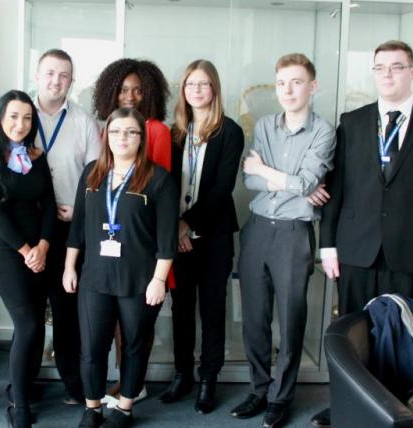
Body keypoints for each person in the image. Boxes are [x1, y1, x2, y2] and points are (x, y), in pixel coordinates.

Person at [311, 40, 413, 427]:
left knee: (404, 334)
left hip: (412, 252)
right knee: (352, 335)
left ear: (412, 71)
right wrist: (327, 243)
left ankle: (399, 409)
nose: (388, 74)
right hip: (355, 249)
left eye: (396, 67)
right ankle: (348, 403)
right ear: (373, 72)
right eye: (380, 68)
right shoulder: (353, 121)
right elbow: (337, 188)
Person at [64, 107, 179, 428]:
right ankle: (93, 407)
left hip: (140, 279)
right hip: (94, 277)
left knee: (134, 345)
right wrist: (69, 267)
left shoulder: (158, 179)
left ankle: (125, 408)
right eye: (116, 131)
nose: (122, 138)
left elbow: (167, 240)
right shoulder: (92, 173)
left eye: (131, 132)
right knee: (91, 346)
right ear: (106, 135)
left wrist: (159, 279)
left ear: (141, 138)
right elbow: (78, 229)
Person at [238, 53, 335, 428]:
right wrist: (291, 182)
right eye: (281, 83)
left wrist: (266, 170)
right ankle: (259, 389)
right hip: (258, 227)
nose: (288, 90)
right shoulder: (264, 125)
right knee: (254, 319)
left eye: (296, 82)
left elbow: (306, 184)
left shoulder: (324, 131)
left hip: (294, 234)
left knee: (291, 319)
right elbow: (249, 182)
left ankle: (281, 397)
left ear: (313, 86)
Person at [159, 59, 244, 414]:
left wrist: (185, 222)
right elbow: (163, 184)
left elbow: (222, 189)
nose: (196, 90)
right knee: (181, 308)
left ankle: (209, 378)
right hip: (177, 238)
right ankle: (183, 374)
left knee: (212, 308)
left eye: (204, 84)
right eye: (190, 84)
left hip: (213, 235)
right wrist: (174, 226)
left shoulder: (230, 131)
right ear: (183, 90)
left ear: (215, 89)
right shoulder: (174, 132)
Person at [0, 90, 57, 428]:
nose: (20, 124)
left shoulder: (37, 156)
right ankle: (19, 406)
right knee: (29, 324)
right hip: (7, 250)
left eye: (26, 118)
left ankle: (20, 386)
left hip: (40, 248)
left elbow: (50, 203)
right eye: (13, 117)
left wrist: (45, 246)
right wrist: (27, 251)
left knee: (36, 324)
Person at [93, 57, 172, 405]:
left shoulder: (155, 130)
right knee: (109, 325)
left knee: (134, 326)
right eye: (124, 89)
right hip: (110, 244)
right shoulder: (108, 126)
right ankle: (125, 383)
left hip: (140, 243)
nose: (131, 96)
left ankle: (131, 386)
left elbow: (157, 188)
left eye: (139, 90)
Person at [31, 48, 101, 404]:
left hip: (68, 228)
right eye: (50, 73)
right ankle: (24, 384)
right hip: (28, 229)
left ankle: (74, 384)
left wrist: (80, 211)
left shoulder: (84, 122)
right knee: (28, 312)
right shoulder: (18, 114)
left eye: (64, 75)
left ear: (71, 81)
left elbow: (97, 177)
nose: (56, 80)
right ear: (37, 75)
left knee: (65, 309)